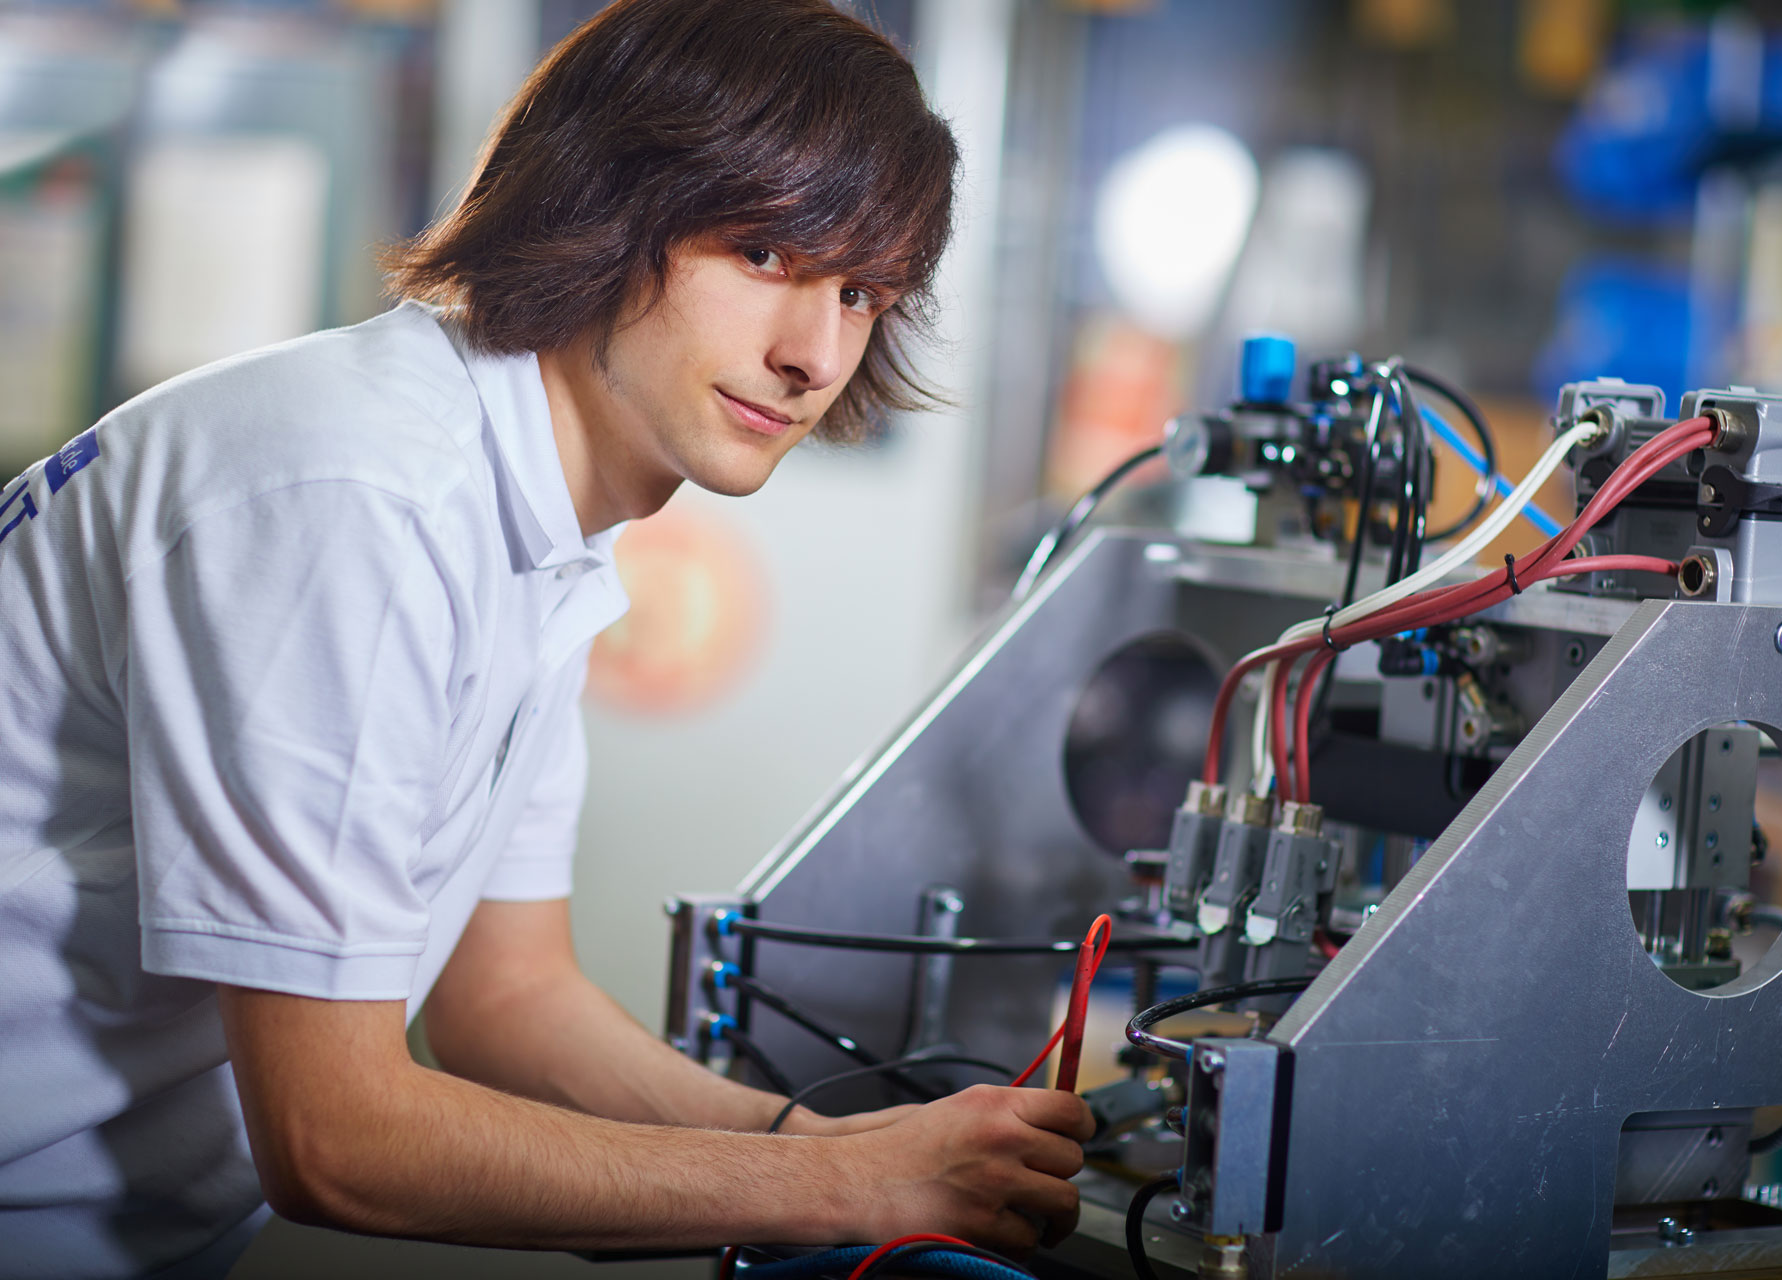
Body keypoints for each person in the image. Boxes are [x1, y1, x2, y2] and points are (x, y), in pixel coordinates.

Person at [0, 2, 1094, 1276]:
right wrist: (841, 1177)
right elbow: (335, 1137)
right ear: (605, 200)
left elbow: (505, 1000)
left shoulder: (524, 514)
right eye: (764, 254)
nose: (813, 355)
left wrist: (852, 1146)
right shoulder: (356, 493)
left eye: (860, 292)